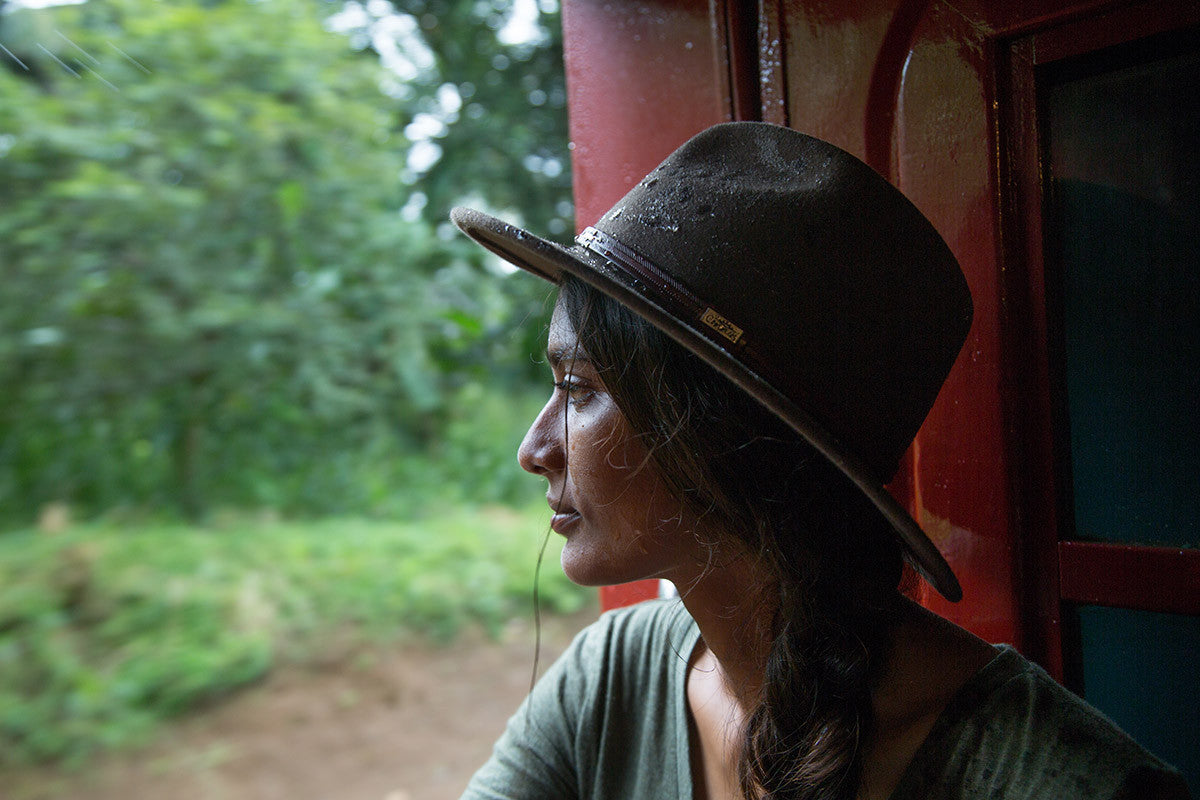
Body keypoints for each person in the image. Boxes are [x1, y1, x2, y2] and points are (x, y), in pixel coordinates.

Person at [449, 123, 1190, 800]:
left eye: (578, 390)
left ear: (719, 439)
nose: (533, 450)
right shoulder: (612, 677)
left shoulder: (1050, 778)